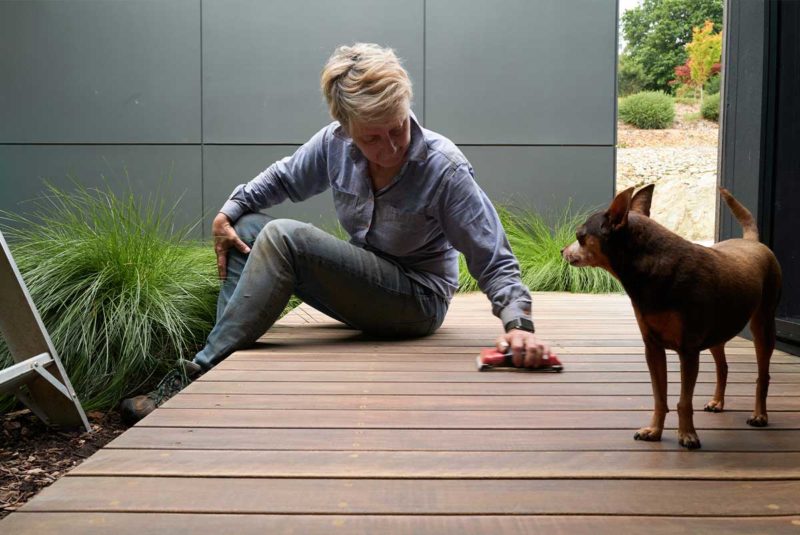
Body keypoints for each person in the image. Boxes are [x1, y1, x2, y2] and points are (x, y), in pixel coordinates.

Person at [120, 43, 551, 424]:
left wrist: (519, 324)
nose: (391, 146)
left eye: (397, 127)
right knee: (246, 227)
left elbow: (491, 255)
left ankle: (197, 371)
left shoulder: (444, 167)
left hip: (418, 301)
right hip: (369, 280)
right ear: (346, 130)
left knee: (286, 236)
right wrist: (227, 212)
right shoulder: (334, 143)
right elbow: (284, 178)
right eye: (372, 138)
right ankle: (221, 355)